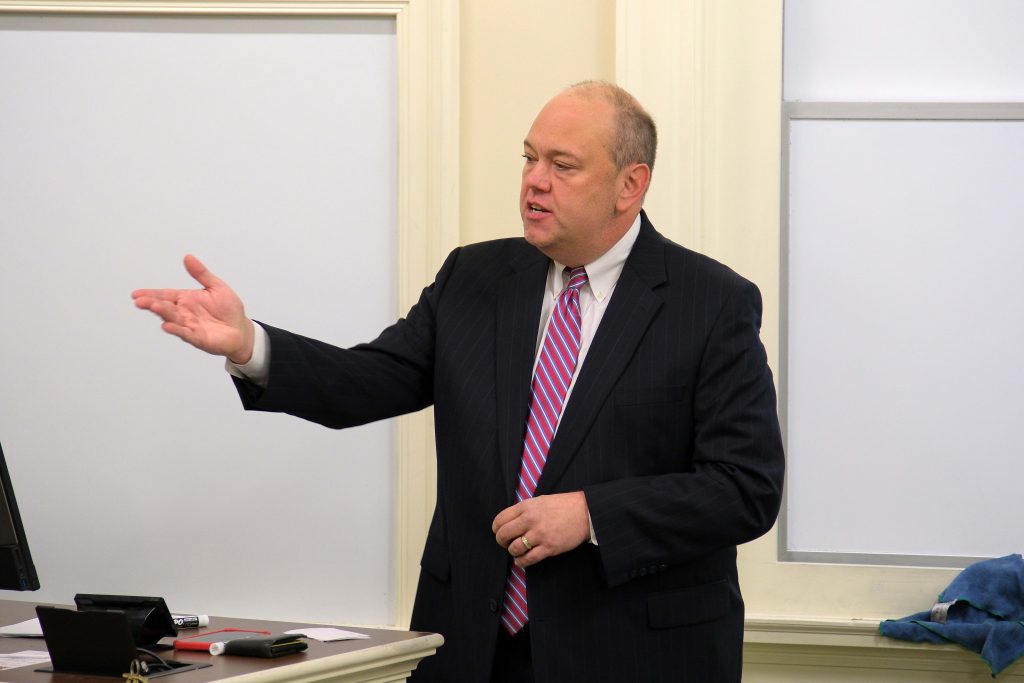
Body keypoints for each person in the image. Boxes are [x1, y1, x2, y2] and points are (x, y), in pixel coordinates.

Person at [133, 81, 784, 683]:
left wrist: (592, 514)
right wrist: (252, 345)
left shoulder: (709, 304)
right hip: (471, 647)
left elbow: (744, 487)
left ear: (629, 184)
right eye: (528, 159)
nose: (533, 182)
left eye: (562, 166)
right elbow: (368, 380)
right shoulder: (473, 279)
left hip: (632, 653)